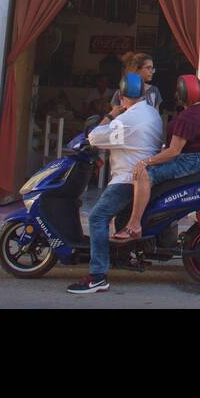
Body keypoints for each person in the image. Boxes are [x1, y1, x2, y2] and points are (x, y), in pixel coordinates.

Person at [67, 72, 163, 295]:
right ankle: (121, 257)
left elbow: (95, 137)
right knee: (114, 216)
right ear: (142, 93)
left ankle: (97, 276)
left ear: (120, 95)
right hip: (140, 176)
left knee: (97, 217)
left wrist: (111, 115)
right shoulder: (150, 112)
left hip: (128, 179)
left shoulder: (126, 119)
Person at [112, 74, 200, 242]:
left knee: (143, 174)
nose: (175, 95)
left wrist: (145, 162)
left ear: (184, 95)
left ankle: (134, 225)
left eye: (178, 92)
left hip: (189, 161)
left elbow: (174, 151)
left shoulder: (189, 117)